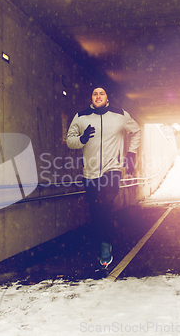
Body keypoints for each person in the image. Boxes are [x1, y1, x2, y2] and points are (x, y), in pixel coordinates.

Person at [66, 85, 141, 267]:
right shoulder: (81, 117)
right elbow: (70, 140)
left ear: (107, 97)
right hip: (90, 172)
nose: (98, 96)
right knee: (95, 209)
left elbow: (136, 131)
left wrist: (131, 154)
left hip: (112, 169)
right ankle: (102, 240)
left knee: (105, 204)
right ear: (91, 98)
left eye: (101, 93)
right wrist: (82, 139)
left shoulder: (120, 115)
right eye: (94, 93)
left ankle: (105, 246)